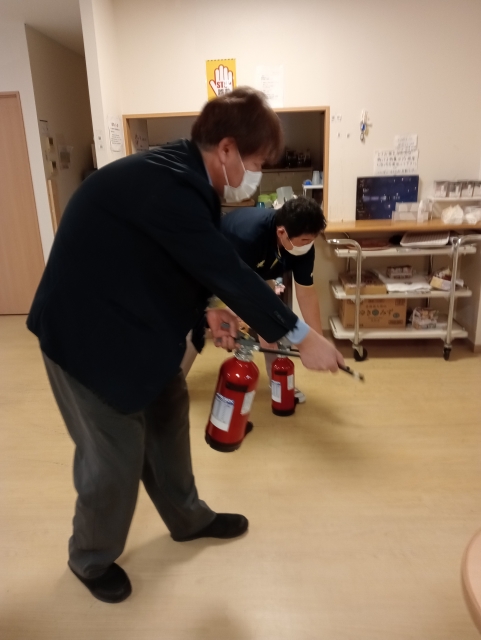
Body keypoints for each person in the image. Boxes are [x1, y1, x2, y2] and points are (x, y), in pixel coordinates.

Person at [27, 87, 344, 604]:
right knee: (114, 454)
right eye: (255, 163)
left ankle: (187, 518)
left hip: (131, 321)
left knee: (170, 410)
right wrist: (301, 336)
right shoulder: (170, 185)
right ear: (227, 148)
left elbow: (172, 261)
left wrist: (206, 310)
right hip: (83, 334)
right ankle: (90, 557)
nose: (255, 174)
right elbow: (226, 268)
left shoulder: (186, 178)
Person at [220, 197, 326, 403]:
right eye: (305, 240)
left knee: (269, 325)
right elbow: (235, 286)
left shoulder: (303, 246)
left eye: (312, 240)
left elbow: (306, 293)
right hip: (220, 261)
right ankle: (168, 388)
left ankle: (277, 382)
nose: (308, 245)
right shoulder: (248, 235)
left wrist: (318, 342)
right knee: (192, 329)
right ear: (281, 233)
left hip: (254, 269)